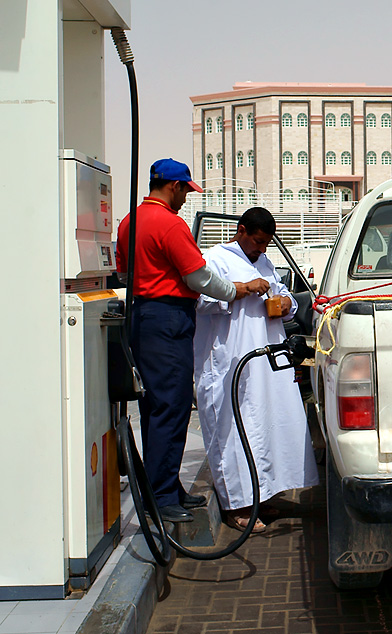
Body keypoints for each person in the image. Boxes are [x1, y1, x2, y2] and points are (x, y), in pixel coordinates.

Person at [116, 159, 270, 523]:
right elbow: (198, 276)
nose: (186, 198)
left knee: (157, 405)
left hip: (141, 316)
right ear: (173, 186)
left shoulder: (128, 222)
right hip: (167, 317)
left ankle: (165, 486)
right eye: (185, 190)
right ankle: (163, 495)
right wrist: (238, 289)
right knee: (172, 405)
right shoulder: (169, 223)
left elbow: (123, 270)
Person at [193, 207, 319, 532]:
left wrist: (287, 303)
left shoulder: (263, 261)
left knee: (266, 424)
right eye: (258, 242)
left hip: (265, 356)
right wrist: (243, 288)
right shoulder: (214, 259)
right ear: (242, 230)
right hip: (230, 359)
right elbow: (198, 301)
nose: (261, 250)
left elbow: (280, 292)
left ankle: (263, 496)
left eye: (266, 245)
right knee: (233, 429)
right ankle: (237, 505)